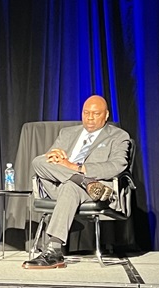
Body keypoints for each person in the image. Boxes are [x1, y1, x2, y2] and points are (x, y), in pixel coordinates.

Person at [22, 95, 131, 269]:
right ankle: (83, 182)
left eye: (95, 114)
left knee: (70, 187)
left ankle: (54, 250)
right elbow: (49, 161)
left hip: (96, 189)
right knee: (38, 161)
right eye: (86, 112)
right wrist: (54, 157)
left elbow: (118, 165)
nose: (89, 117)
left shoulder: (118, 136)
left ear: (106, 115)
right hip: (65, 186)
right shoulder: (67, 133)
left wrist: (77, 167)